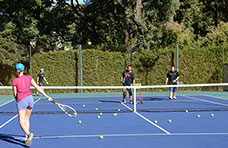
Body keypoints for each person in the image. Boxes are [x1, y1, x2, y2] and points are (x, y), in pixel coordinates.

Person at [12, 63, 52, 146]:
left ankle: (29, 134)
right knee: (27, 119)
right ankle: (26, 138)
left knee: (21, 121)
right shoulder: (29, 77)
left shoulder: (14, 80)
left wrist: (17, 99)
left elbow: (15, 93)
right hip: (30, 99)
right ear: (23, 70)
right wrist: (47, 96)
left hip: (21, 100)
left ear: (16, 70)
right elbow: (37, 88)